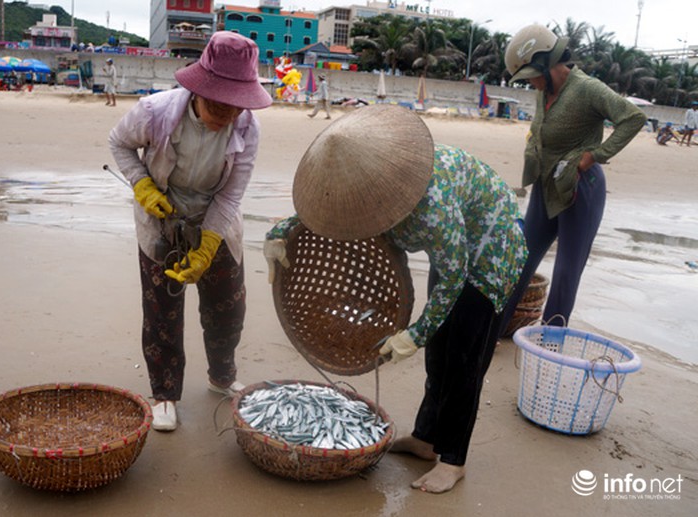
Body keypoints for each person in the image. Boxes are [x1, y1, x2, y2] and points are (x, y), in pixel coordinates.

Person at [264, 105, 527, 493]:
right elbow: (323, 216)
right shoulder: (363, 189)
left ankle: (453, 460)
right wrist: (279, 233)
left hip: (491, 249)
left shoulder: (433, 206)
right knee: (438, 352)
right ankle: (426, 438)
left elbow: (454, 276)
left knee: (463, 358)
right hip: (455, 247)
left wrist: (413, 335)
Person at [108, 32, 272, 432]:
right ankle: (165, 394)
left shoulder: (248, 128)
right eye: (218, 105)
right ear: (198, 89)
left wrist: (208, 244)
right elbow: (119, 144)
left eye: (235, 106)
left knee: (228, 307)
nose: (226, 116)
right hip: (162, 217)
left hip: (216, 217)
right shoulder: (155, 111)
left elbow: (231, 195)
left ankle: (222, 375)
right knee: (162, 311)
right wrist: (143, 186)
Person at [499, 24, 645, 333]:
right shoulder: (544, 90)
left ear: (546, 64)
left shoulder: (587, 89)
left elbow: (633, 118)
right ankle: (494, 329)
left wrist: (593, 156)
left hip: (581, 189)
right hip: (546, 184)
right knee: (521, 259)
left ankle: (551, 340)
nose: (531, 83)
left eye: (532, 76)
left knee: (567, 270)